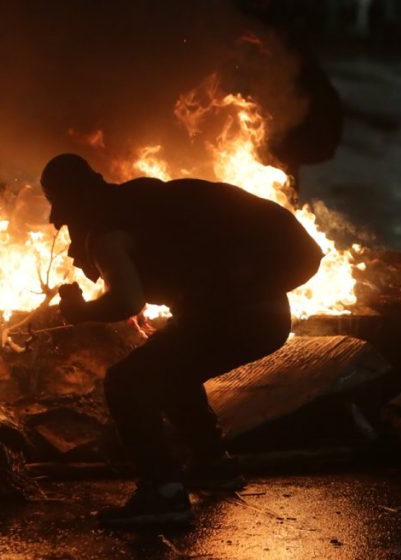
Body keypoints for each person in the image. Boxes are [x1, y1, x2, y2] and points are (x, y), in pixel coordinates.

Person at [41, 153, 322, 527]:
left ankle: (164, 494)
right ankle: (215, 466)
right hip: (268, 315)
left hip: (241, 315)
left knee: (127, 381)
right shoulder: (138, 202)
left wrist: (80, 312)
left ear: (68, 206)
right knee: (173, 371)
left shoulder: (106, 232)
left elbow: (127, 300)